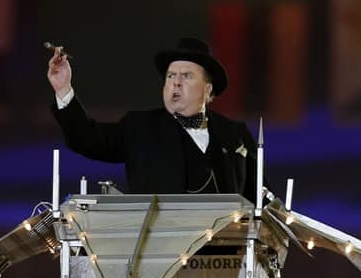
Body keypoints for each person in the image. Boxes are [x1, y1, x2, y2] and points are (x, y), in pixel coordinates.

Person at [48, 37, 259, 199]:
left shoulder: (235, 134)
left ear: (208, 88)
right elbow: (86, 138)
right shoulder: (140, 128)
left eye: (186, 76)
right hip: (161, 251)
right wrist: (63, 89)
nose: (176, 82)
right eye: (170, 76)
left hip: (226, 251)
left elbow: (261, 199)